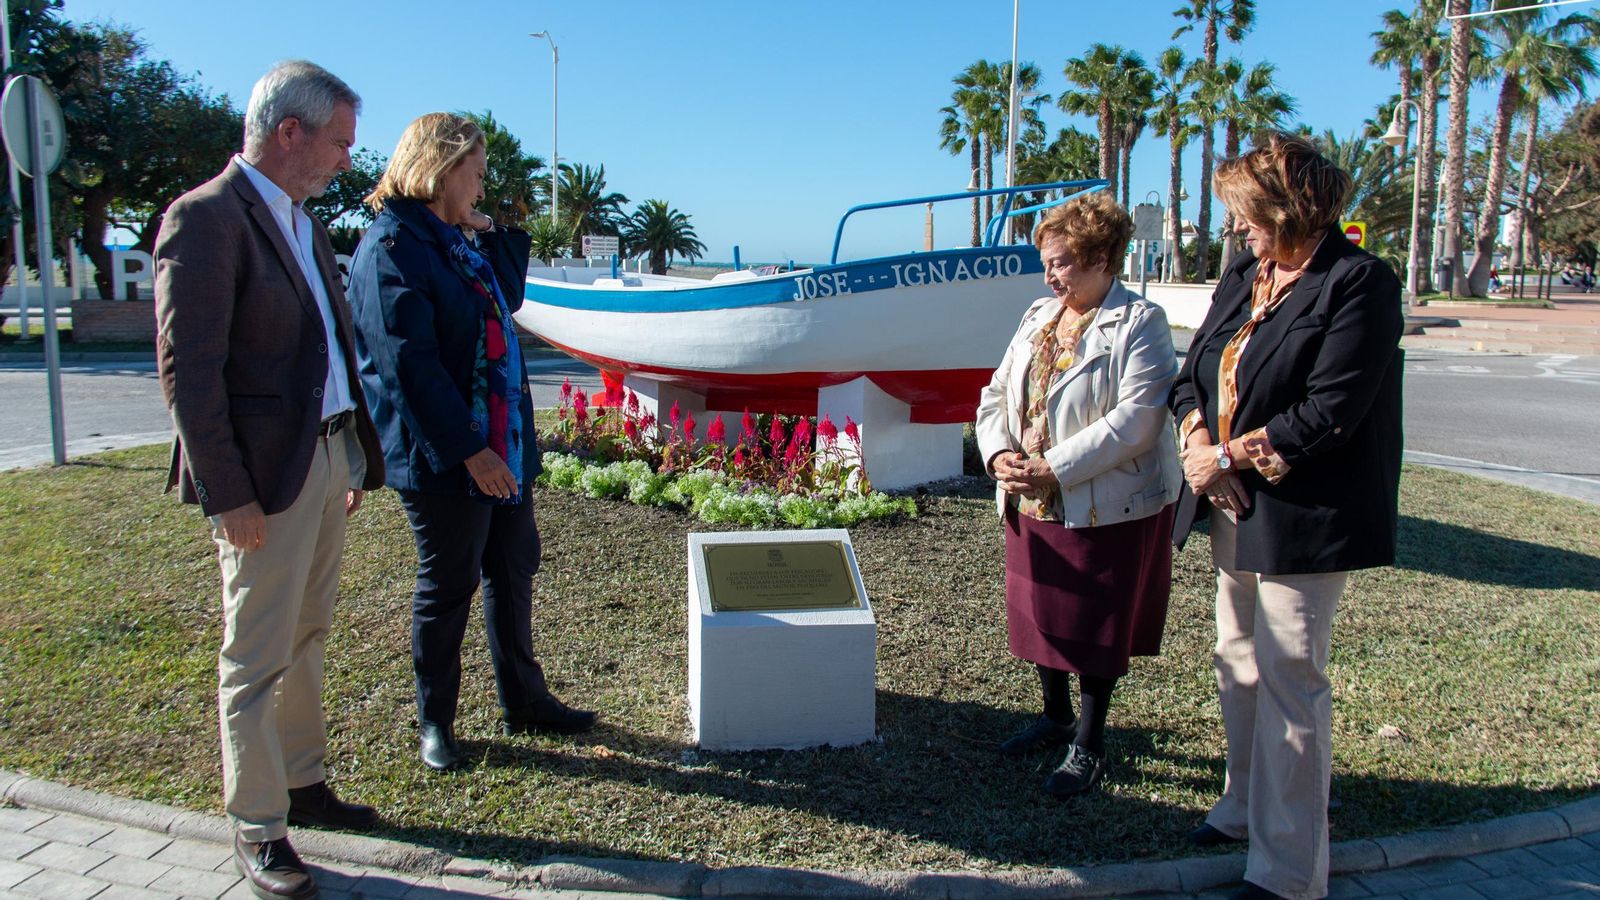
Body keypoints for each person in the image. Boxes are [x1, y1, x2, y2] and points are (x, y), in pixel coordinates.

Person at [154, 60, 386, 900]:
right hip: (262, 481)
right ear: (289, 132)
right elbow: (191, 372)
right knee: (254, 657)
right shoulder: (207, 220)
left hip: (324, 461)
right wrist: (229, 493)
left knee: (308, 635)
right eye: (338, 142)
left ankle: (302, 780)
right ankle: (258, 828)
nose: (345, 160)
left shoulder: (302, 221)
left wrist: (349, 455)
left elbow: (324, 349)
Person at [1170, 132, 1403, 900]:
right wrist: (1202, 442)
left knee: (1290, 678)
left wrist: (1227, 460)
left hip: (1304, 511)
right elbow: (1192, 371)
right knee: (1236, 660)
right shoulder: (1247, 269)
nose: (1237, 230)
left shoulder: (1359, 282)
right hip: (1232, 499)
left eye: (1247, 215)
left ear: (1290, 208)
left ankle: (1289, 872)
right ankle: (1241, 807)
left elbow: (1332, 410)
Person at [347, 113, 596, 774]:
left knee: (512, 569)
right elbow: (409, 368)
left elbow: (509, 293)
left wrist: (484, 227)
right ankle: (437, 722)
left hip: (502, 445)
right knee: (448, 584)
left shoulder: (455, 242)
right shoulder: (391, 247)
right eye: (476, 175)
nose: (481, 190)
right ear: (440, 165)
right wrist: (470, 452)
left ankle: (526, 699)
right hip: (446, 457)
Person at [975, 192, 1182, 798]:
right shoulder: (1038, 315)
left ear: (1101, 258)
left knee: (1094, 621)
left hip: (1101, 502)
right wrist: (997, 454)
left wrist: (1052, 467)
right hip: (1031, 495)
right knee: (1045, 614)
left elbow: (1138, 420)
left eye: (1062, 261)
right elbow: (995, 394)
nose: (1050, 275)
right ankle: (1055, 716)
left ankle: (1088, 742)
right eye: (1048, 261)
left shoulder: (1141, 324)